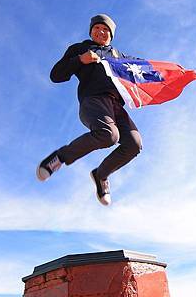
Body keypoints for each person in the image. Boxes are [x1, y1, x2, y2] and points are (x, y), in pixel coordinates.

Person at [37, 14, 142, 206]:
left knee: (134, 144)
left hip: (116, 106)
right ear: (91, 31)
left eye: (106, 30)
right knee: (108, 135)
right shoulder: (80, 48)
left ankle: (101, 175)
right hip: (93, 100)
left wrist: (168, 71)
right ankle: (60, 157)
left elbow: (143, 68)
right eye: (97, 28)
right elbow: (56, 75)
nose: (101, 32)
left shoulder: (119, 56)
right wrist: (80, 60)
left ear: (111, 36)